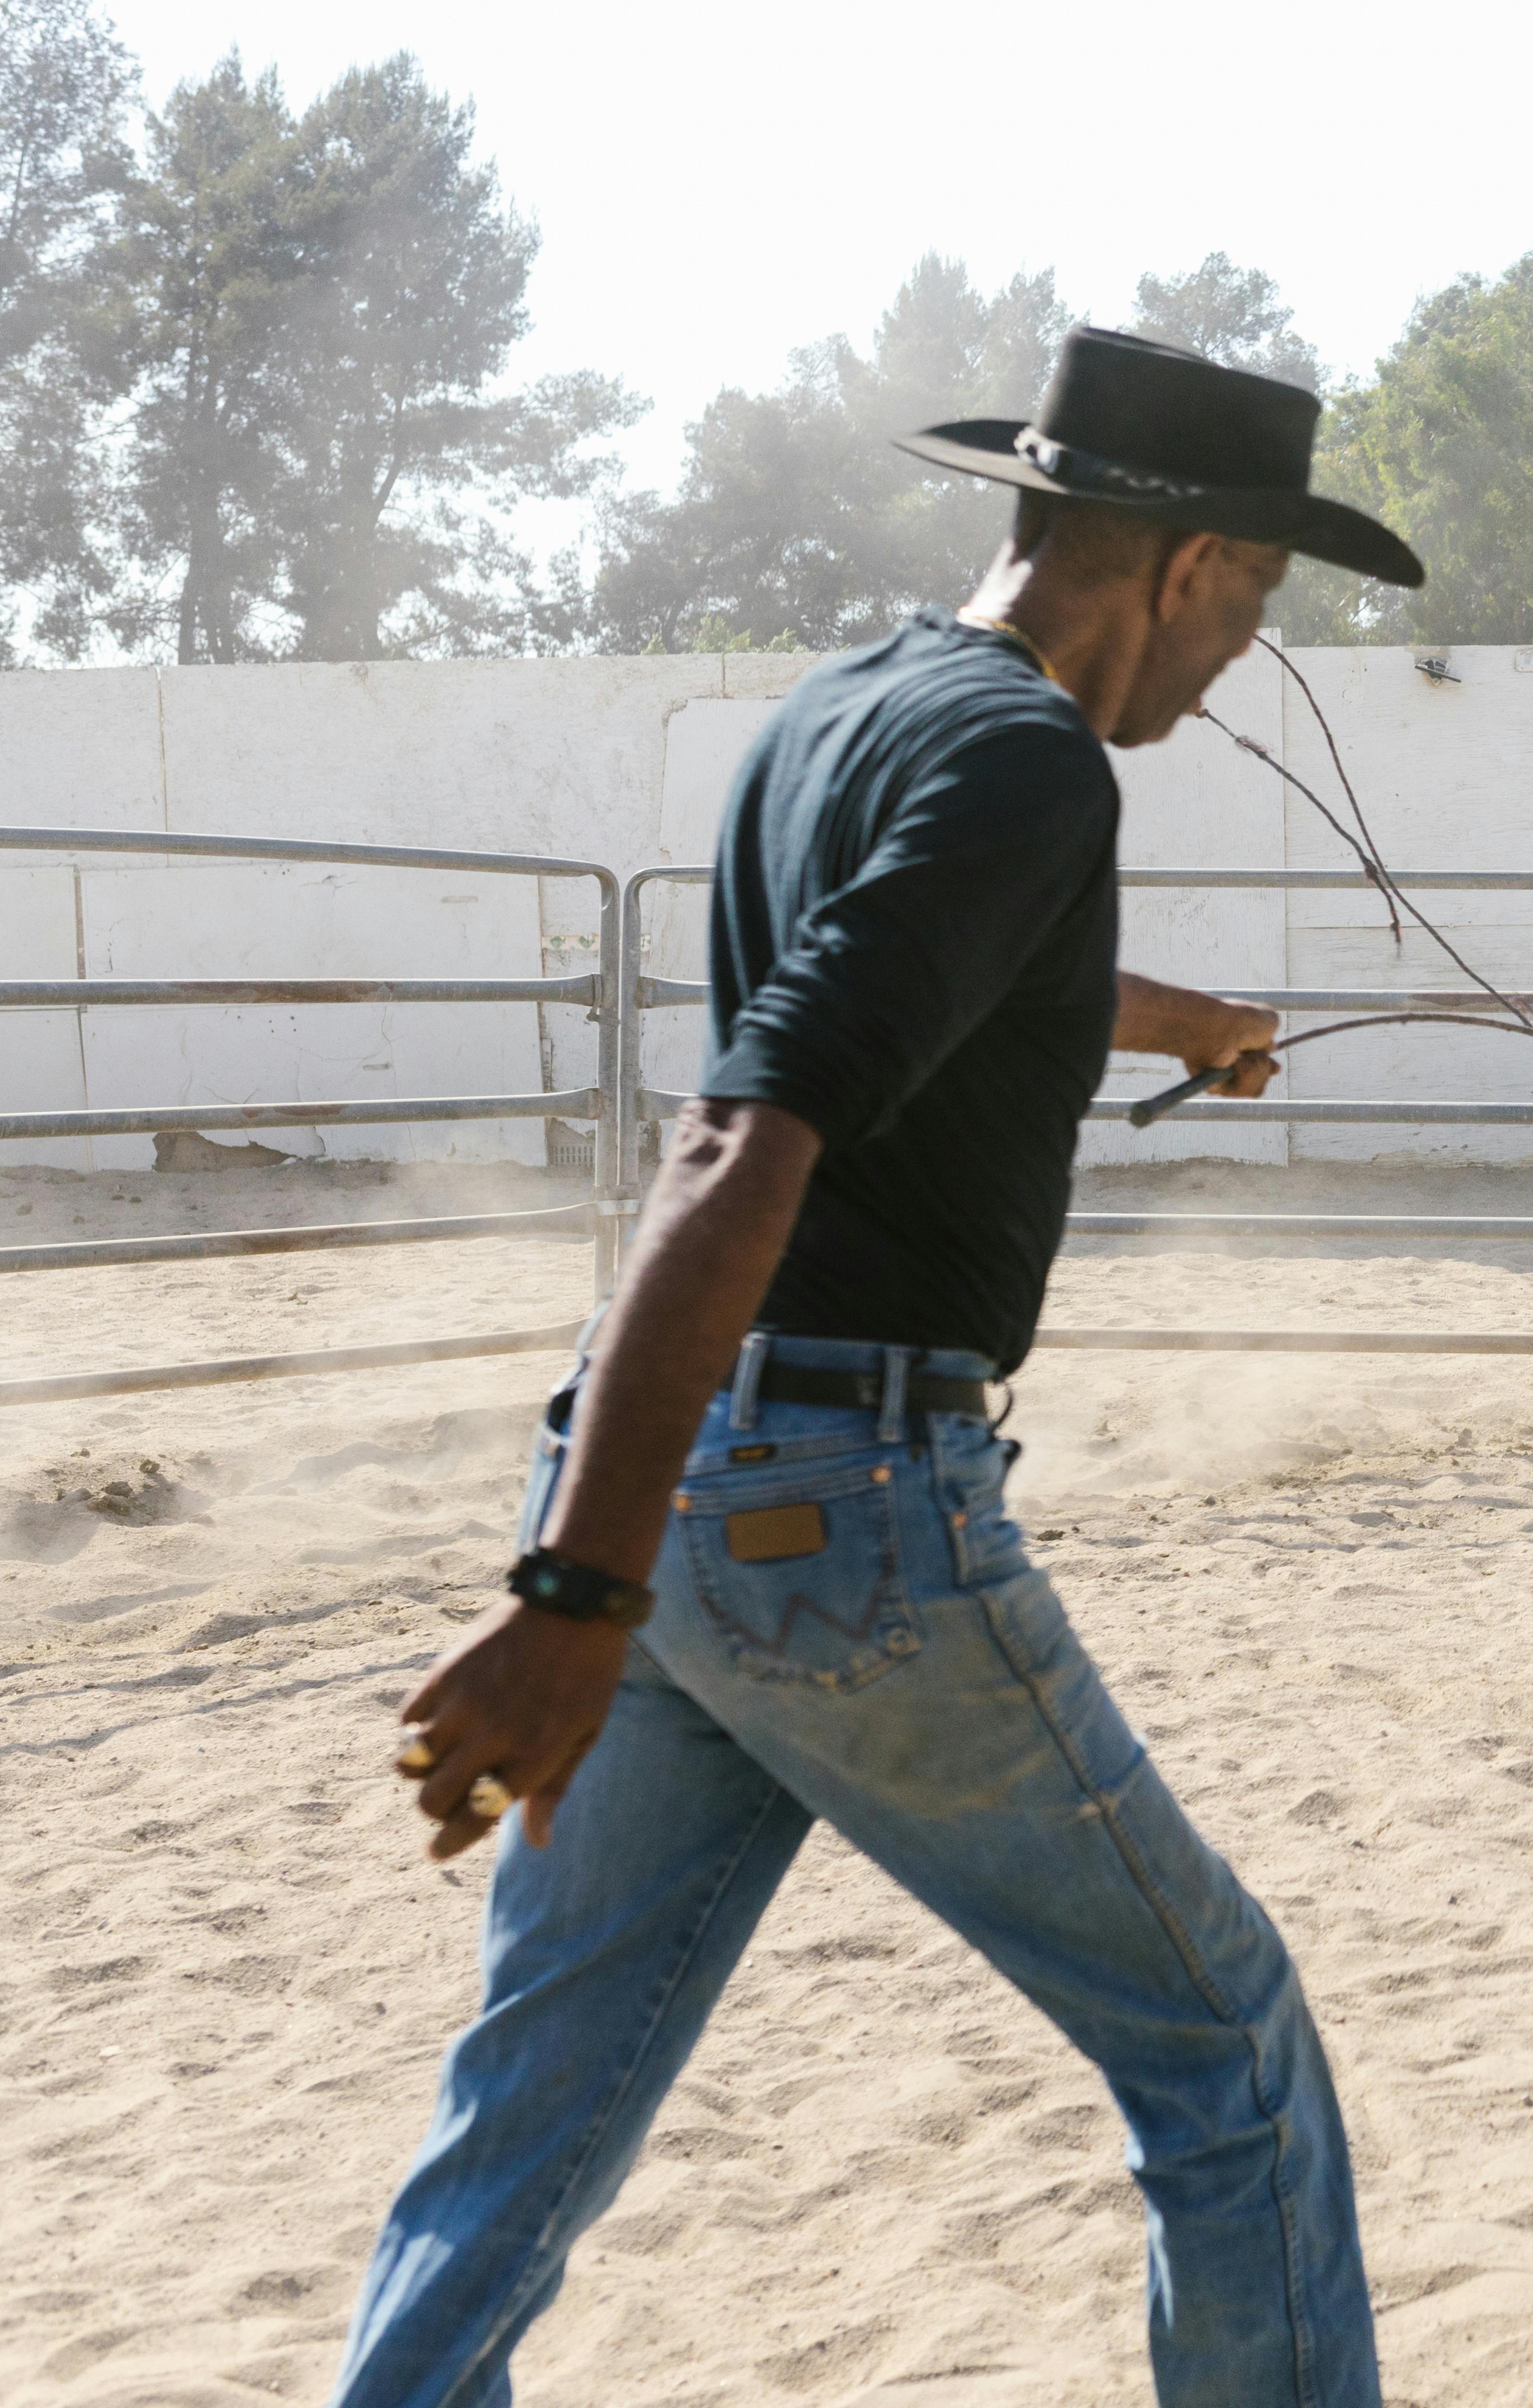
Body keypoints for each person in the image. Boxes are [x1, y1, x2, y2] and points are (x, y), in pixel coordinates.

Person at [327, 329, 1424, 2408]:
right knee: (1228, 2054)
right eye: (1259, 602)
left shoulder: (846, 712)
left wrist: (1185, 1021)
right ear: (1185, 563)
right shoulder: (1032, 763)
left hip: (679, 1487)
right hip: (840, 1511)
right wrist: (568, 1590)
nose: (1246, 655)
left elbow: (944, 973)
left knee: (526, 2127)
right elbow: (748, 1132)